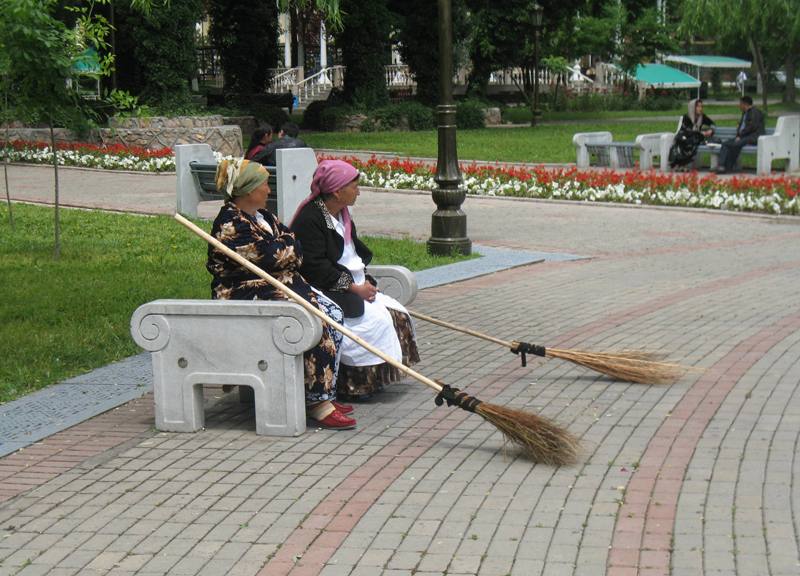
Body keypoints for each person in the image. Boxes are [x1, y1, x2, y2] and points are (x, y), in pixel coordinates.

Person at [206, 157, 356, 429]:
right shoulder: (230, 224)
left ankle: (323, 392)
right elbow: (274, 257)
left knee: (333, 312)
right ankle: (317, 403)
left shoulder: (264, 217)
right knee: (315, 320)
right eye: (265, 185)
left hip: (277, 285)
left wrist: (285, 248)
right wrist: (285, 248)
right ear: (250, 190)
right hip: (244, 293)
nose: (269, 190)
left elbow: (295, 250)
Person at [290, 160, 420, 401]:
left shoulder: (339, 214)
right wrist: (354, 288)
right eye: (354, 186)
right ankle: (352, 386)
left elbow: (351, 255)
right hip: (327, 289)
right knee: (374, 322)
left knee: (397, 314)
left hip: (354, 285)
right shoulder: (313, 219)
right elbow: (317, 268)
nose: (359, 191)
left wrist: (364, 283)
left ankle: (373, 380)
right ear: (337, 191)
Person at [717, 95, 765, 174]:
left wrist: (740, 136)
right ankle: (722, 166)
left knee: (735, 144)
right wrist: (739, 134)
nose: (739, 105)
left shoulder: (755, 112)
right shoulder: (745, 113)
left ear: (745, 104)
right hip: (744, 136)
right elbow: (744, 126)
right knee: (726, 144)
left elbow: (751, 127)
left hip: (753, 137)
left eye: (740, 104)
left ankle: (726, 166)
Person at [669, 98, 716, 170]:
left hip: (695, 137)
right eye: (698, 106)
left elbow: (712, 124)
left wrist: (711, 131)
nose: (700, 108)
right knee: (683, 140)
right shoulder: (686, 117)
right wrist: (699, 133)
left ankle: (682, 164)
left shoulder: (702, 117)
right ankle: (679, 163)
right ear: (693, 107)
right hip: (685, 136)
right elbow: (685, 130)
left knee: (693, 141)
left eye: (701, 106)